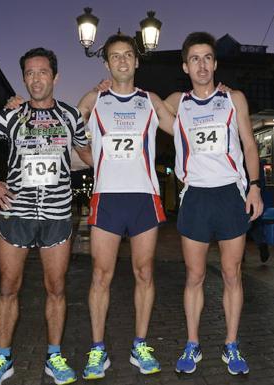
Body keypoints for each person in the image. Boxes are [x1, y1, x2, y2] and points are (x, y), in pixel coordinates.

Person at [0, 47, 92, 385]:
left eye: (43, 72)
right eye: (30, 73)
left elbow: (87, 155)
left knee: (56, 288)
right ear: (24, 78)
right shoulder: (12, 115)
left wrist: (122, 145)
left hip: (56, 216)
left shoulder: (70, 116)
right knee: (8, 287)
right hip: (16, 214)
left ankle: (54, 356)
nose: (36, 79)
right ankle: (2, 359)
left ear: (55, 77)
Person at [76, 34, 175, 379]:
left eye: (127, 55)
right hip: (107, 197)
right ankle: (97, 349)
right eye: (114, 56)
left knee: (144, 273)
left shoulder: (150, 100)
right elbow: (67, 129)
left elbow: (182, 129)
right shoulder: (97, 99)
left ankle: (140, 345)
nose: (121, 61)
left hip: (145, 197)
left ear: (136, 61)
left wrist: (202, 98)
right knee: (101, 276)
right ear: (106, 63)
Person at [164, 32, 263, 375]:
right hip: (196, 196)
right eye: (195, 58)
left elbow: (249, 144)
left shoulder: (234, 99)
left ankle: (231, 344)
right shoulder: (177, 102)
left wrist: (254, 186)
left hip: (229, 194)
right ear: (185, 66)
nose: (202, 64)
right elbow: (136, 104)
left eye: (207, 57)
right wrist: (100, 91)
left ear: (215, 63)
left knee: (232, 274)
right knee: (194, 275)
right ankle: (192, 344)